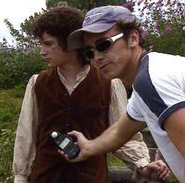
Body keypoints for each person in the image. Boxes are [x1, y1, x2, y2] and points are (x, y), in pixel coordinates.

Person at [13, 6, 170, 183]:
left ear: (69, 43)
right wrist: (20, 177)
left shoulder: (109, 83)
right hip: (44, 177)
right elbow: (25, 137)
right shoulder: (37, 83)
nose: (42, 51)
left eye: (48, 43)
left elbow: (123, 134)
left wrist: (142, 164)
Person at [64, 5, 185, 182]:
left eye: (103, 45)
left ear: (133, 38)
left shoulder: (151, 81)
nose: (97, 57)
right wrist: (88, 147)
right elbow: (119, 133)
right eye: (89, 52)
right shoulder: (145, 85)